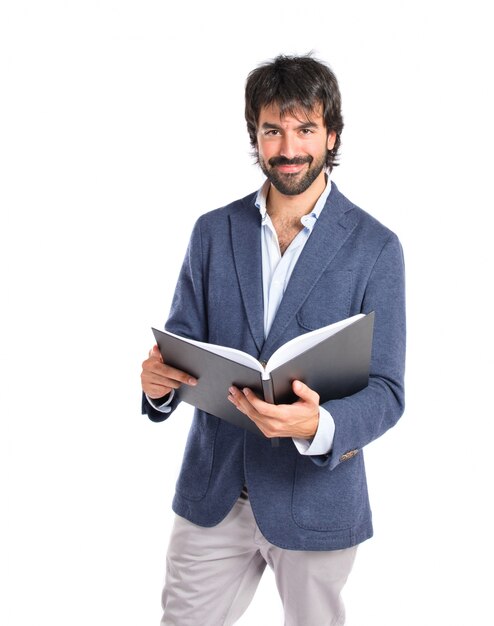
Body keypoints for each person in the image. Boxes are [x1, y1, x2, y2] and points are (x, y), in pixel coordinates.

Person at [141, 54, 406, 626]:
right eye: (272, 130)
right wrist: (159, 385)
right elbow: (182, 345)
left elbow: (387, 390)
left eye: (305, 129)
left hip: (316, 498)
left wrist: (318, 425)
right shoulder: (213, 231)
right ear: (255, 137)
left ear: (331, 134)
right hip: (213, 494)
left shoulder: (376, 248)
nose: (288, 148)